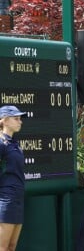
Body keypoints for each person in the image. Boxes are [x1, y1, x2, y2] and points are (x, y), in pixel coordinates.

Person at [0, 105, 27, 251]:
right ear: (4, 120)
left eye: (20, 119)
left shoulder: (14, 144)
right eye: (16, 118)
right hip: (5, 199)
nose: (20, 121)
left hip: (17, 198)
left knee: (11, 247)